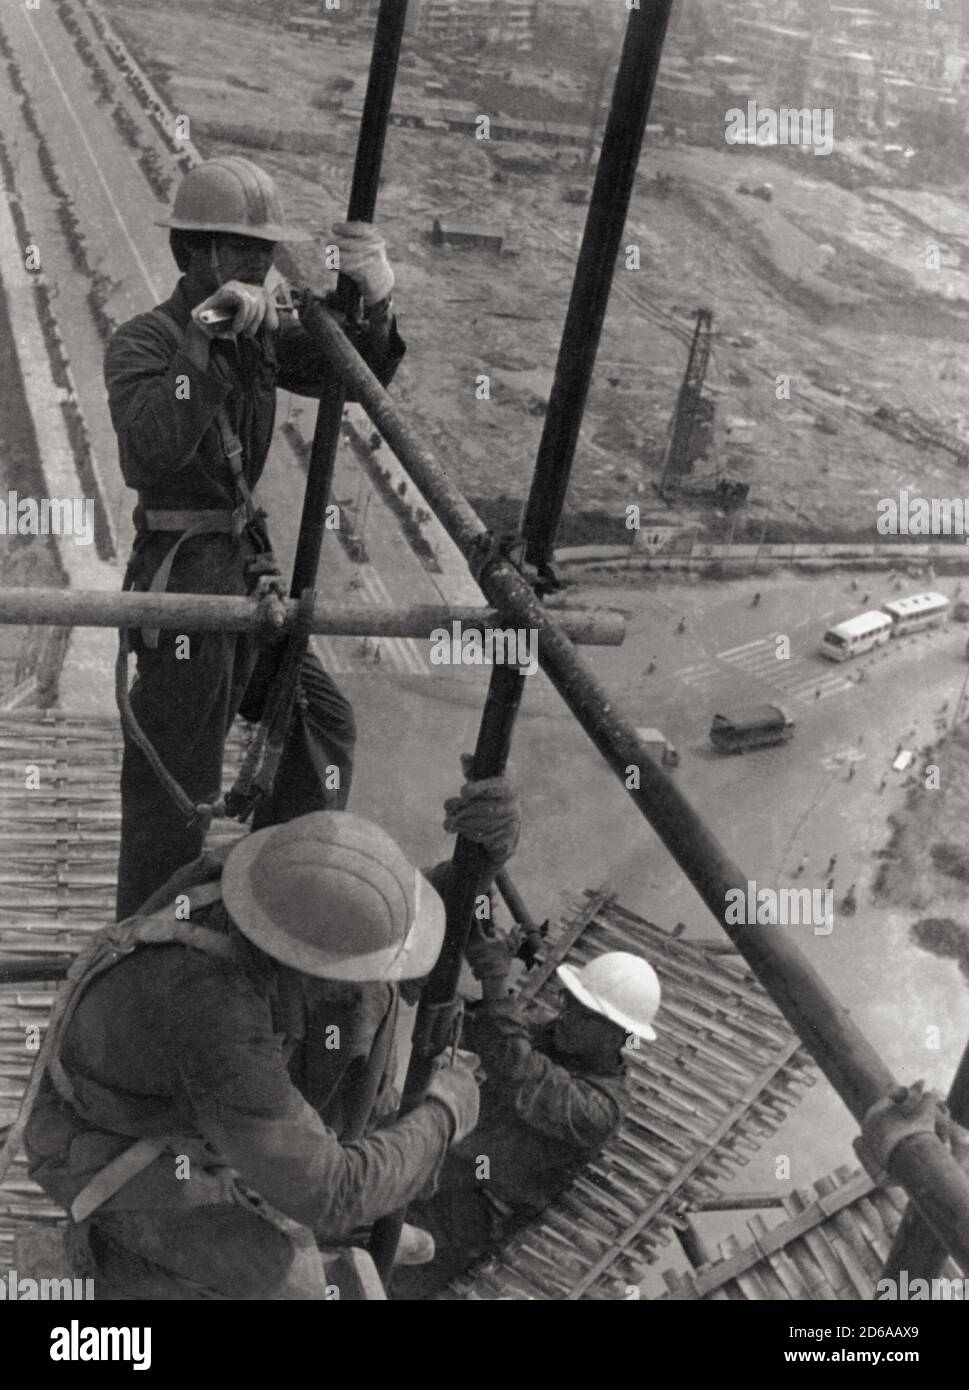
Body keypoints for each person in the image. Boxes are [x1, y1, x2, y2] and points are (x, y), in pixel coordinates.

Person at [21, 775, 520, 1301]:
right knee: (297, 1288)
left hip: (191, 1106)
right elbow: (332, 1193)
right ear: (297, 960)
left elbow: (360, 919)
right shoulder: (214, 1012)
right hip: (106, 1145)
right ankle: (117, 1256)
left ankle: (285, 1197)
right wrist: (446, 1112)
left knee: (366, 1006)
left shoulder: (264, 882)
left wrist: (478, 867)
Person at [107, 157, 406, 921]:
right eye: (242, 250)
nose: (259, 265)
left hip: (245, 570)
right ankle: (145, 942)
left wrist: (374, 301)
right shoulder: (146, 341)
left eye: (264, 251)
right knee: (178, 777)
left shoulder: (261, 337)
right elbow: (151, 451)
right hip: (187, 583)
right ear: (194, 252)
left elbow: (355, 375)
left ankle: (278, 904)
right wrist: (205, 340)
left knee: (319, 726)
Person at [390, 936, 662, 1300]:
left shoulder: (598, 1108)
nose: (566, 1016)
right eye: (570, 1002)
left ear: (619, 1036)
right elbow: (489, 1031)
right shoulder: (555, 1034)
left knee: (376, 1277)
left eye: (585, 1015)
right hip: (437, 1166)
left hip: (468, 1210)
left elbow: (516, 1068)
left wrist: (495, 983)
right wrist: (432, 986)